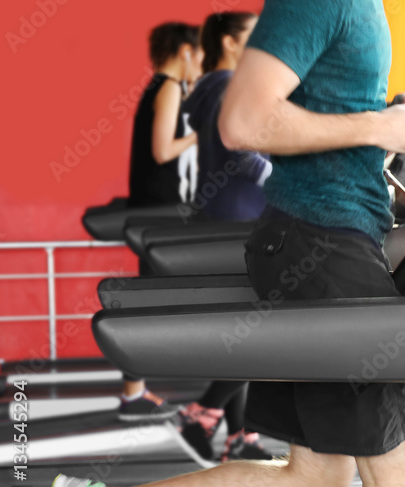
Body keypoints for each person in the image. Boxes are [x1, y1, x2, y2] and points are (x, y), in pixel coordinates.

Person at [51, 2, 405, 487]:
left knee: (316, 479)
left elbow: (303, 113)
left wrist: (384, 121)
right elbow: (244, 121)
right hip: (323, 240)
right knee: (398, 468)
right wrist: (376, 128)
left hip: (318, 236)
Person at [176, 11, 273, 463]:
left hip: (227, 214)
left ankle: (242, 436)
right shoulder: (227, 85)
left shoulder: (212, 87)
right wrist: (290, 172)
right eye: (253, 35)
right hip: (239, 219)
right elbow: (244, 152)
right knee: (261, 330)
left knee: (245, 331)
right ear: (232, 43)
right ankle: (203, 411)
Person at [118, 22, 202, 422]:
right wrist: (205, 133)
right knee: (148, 302)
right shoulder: (168, 87)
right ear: (185, 51)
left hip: (157, 209)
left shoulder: (161, 87)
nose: (201, 64)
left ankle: (135, 390)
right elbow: (163, 149)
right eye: (198, 55)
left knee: (150, 300)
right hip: (158, 212)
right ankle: (133, 394)